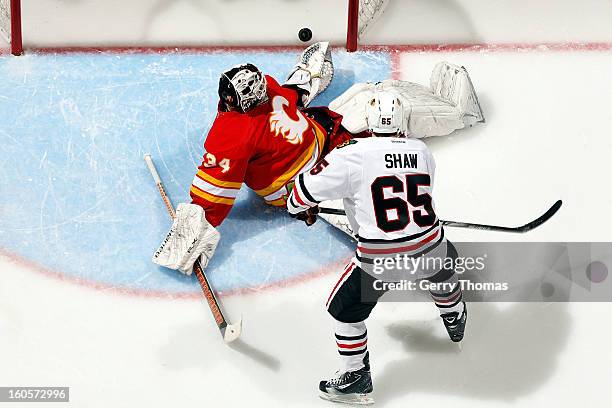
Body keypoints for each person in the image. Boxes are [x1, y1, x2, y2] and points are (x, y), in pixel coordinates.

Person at [287, 90, 468, 405]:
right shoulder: (422, 150)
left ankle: (356, 377)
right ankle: (454, 315)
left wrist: (299, 203)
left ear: (369, 120)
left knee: (343, 311)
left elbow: (299, 197)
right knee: (440, 266)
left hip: (383, 259)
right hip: (430, 242)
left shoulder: (350, 152)